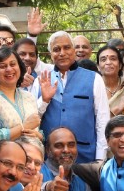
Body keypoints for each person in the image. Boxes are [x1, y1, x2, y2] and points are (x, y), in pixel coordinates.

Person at [37, 31, 110, 163]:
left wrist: (100, 158)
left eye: (67, 47)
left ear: (74, 50)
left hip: (85, 156)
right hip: (49, 157)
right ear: (50, 54)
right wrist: (44, 100)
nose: (62, 53)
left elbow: (102, 119)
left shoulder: (94, 78)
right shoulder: (42, 79)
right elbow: (33, 118)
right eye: (56, 49)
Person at [0, 46, 43, 152]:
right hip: (2, 162)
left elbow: (38, 130)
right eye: (2, 66)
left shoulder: (29, 97)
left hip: (32, 161)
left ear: (20, 68)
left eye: (13, 64)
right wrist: (23, 127)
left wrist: (38, 135)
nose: (9, 69)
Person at [98, 45, 124, 116]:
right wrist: (119, 108)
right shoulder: (92, 88)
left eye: (113, 59)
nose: (108, 62)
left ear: (120, 65)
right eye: (103, 60)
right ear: (98, 67)